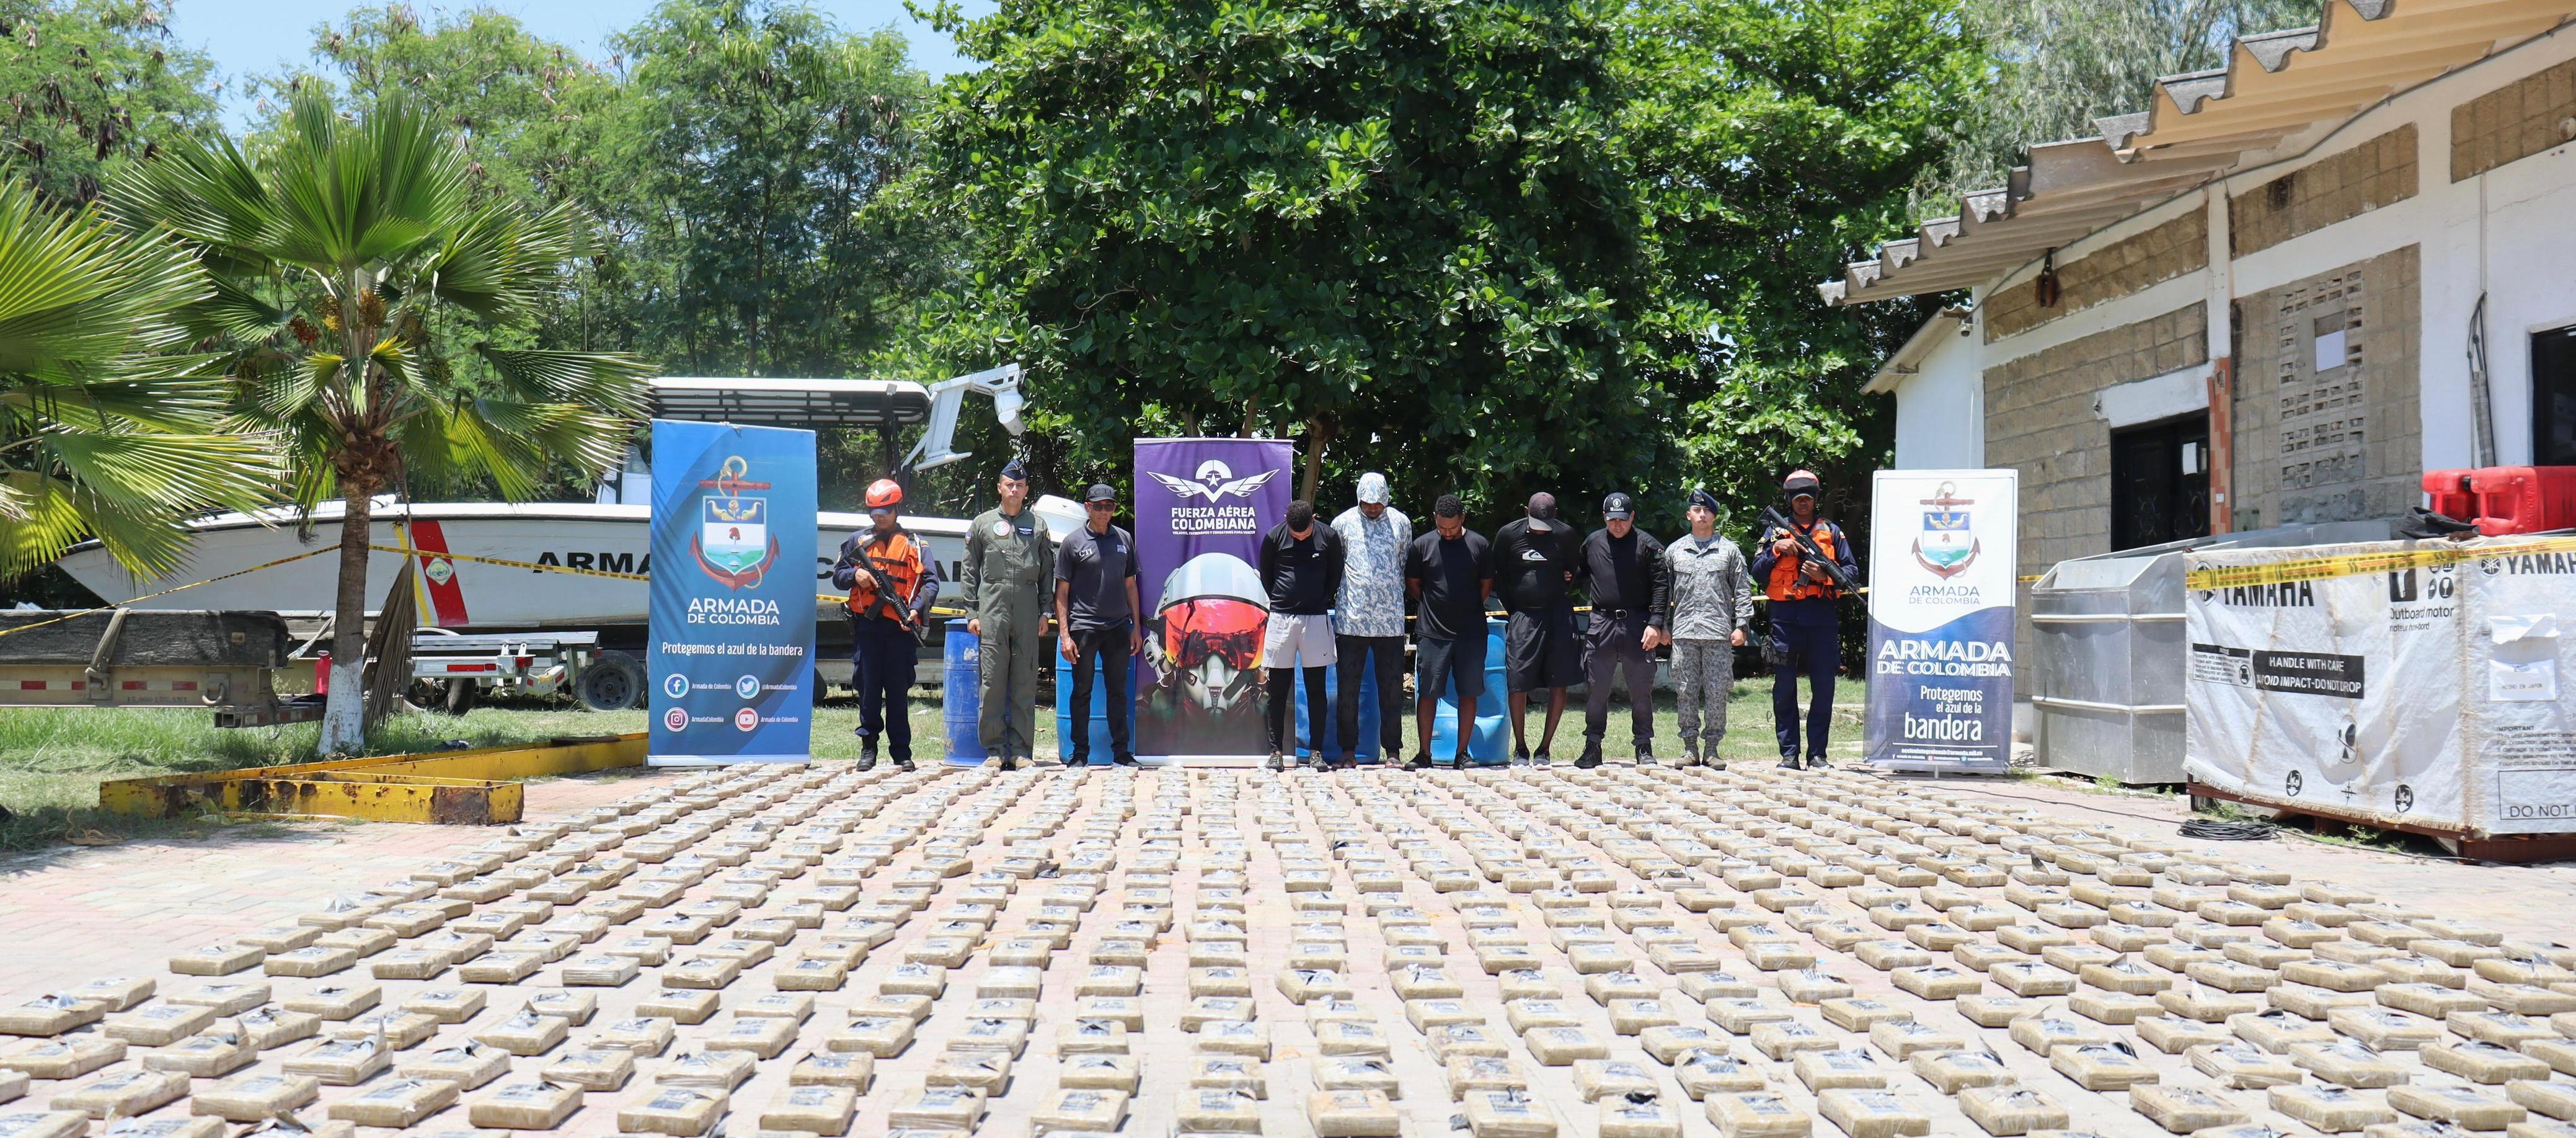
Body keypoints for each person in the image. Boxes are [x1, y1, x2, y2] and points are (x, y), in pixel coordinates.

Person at [1751, 469, 1858, 770]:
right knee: (1784, 687)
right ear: (1789, 500)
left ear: (1815, 501)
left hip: (1822, 618)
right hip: (1785, 619)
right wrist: (1775, 550)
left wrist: (1825, 576)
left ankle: (1818, 754)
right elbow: (1757, 572)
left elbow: (1851, 574)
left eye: (1807, 499)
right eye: (1797, 499)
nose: (1802, 504)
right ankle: (1789, 754)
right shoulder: (1774, 533)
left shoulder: (1832, 532)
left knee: (1824, 688)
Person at [832, 478, 939, 772]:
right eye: (874, 514)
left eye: (884, 514)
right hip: (867, 628)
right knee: (868, 689)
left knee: (898, 690)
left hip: (901, 630)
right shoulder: (858, 541)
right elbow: (838, 575)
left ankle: (901, 752)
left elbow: (930, 582)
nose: (878, 520)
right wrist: (856, 577)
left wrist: (916, 610)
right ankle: (868, 749)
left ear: (897, 510)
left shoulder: (917, 544)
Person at [962, 458, 1056, 770]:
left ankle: (1020, 751)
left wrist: (1046, 611)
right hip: (992, 607)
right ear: (1000, 488)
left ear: (1026, 490)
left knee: (1025, 680)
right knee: (992, 680)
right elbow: (970, 570)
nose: (1014, 490)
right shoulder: (983, 524)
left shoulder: (1038, 526)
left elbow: (1047, 573)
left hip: (1028, 609)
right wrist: (971, 612)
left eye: (1020, 485)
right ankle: (993, 750)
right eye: (1009, 485)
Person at [1576, 492, 1670, 767]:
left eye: (1622, 520)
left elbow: (1662, 587)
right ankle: (1593, 746)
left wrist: (1656, 623)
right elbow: (1579, 572)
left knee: (1641, 688)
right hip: (1602, 623)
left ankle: (1644, 746)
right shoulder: (1592, 542)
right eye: (1611, 519)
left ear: (1632, 517)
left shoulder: (1648, 546)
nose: (1617, 525)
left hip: (1638, 623)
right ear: (1605, 517)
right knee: (1596, 688)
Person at [1054, 483, 1143, 769]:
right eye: (1099, 506)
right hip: (1084, 628)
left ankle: (1122, 753)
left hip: (1118, 626)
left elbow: (1131, 586)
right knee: (1082, 691)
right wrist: (1065, 635)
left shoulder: (1125, 539)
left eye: (1110, 506)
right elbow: (1062, 593)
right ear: (1087, 508)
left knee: (1118, 692)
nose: (1105, 512)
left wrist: (1137, 627)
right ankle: (1079, 754)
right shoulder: (1072, 543)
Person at [1404, 494, 1494, 769]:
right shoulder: (1422, 546)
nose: (1447, 533)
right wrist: (1434, 608)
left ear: (1463, 520)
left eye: (1452, 528)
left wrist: (1465, 610)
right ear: (1435, 520)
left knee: (1469, 692)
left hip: (1471, 633)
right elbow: (1414, 584)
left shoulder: (1479, 545)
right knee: (1428, 692)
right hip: (1433, 632)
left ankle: (1462, 754)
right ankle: (1424, 754)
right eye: (1442, 528)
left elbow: (1486, 587)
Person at [1664, 489, 1752, 769]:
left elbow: (1743, 590)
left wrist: (1742, 626)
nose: (1702, 515)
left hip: (1717, 634)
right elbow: (1662, 593)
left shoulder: (1729, 550)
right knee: (1685, 691)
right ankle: (1689, 749)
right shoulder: (1675, 551)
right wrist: (1662, 626)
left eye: (1707, 511)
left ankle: (1712, 749)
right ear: (1688, 515)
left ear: (1714, 515)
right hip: (1684, 633)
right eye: (1696, 511)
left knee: (1717, 692)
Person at [1258, 499, 1346, 770]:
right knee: (1278, 690)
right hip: (1282, 619)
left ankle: (1316, 751)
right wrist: (1282, 601)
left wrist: (1319, 599)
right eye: (1295, 534)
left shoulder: (1329, 537)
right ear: (1286, 521)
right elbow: (1266, 576)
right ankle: (1276, 752)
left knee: (1316, 689)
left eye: (1305, 533)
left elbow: (1335, 575)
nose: (1300, 537)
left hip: (1316, 619)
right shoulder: (1273, 537)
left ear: (1314, 520)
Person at [1330, 473, 1411, 767]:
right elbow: (1336, 564)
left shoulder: (1401, 523)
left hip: (1390, 622)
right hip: (1352, 620)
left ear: (1386, 499)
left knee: (1391, 689)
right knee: (1348, 689)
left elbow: (1403, 562)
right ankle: (1348, 751)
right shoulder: (1342, 523)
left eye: (1378, 504)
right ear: (1359, 499)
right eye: (1368, 504)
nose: (1373, 509)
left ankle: (1392, 751)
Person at [1492, 492, 1579, 765]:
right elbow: (1499, 575)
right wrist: (1516, 608)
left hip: (1557, 615)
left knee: (1559, 680)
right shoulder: (1509, 534)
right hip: (1523, 617)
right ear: (1525, 510)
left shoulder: (1566, 535)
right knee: (1517, 680)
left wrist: (1561, 584)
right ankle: (1520, 747)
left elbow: (1573, 572)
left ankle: (1544, 749)